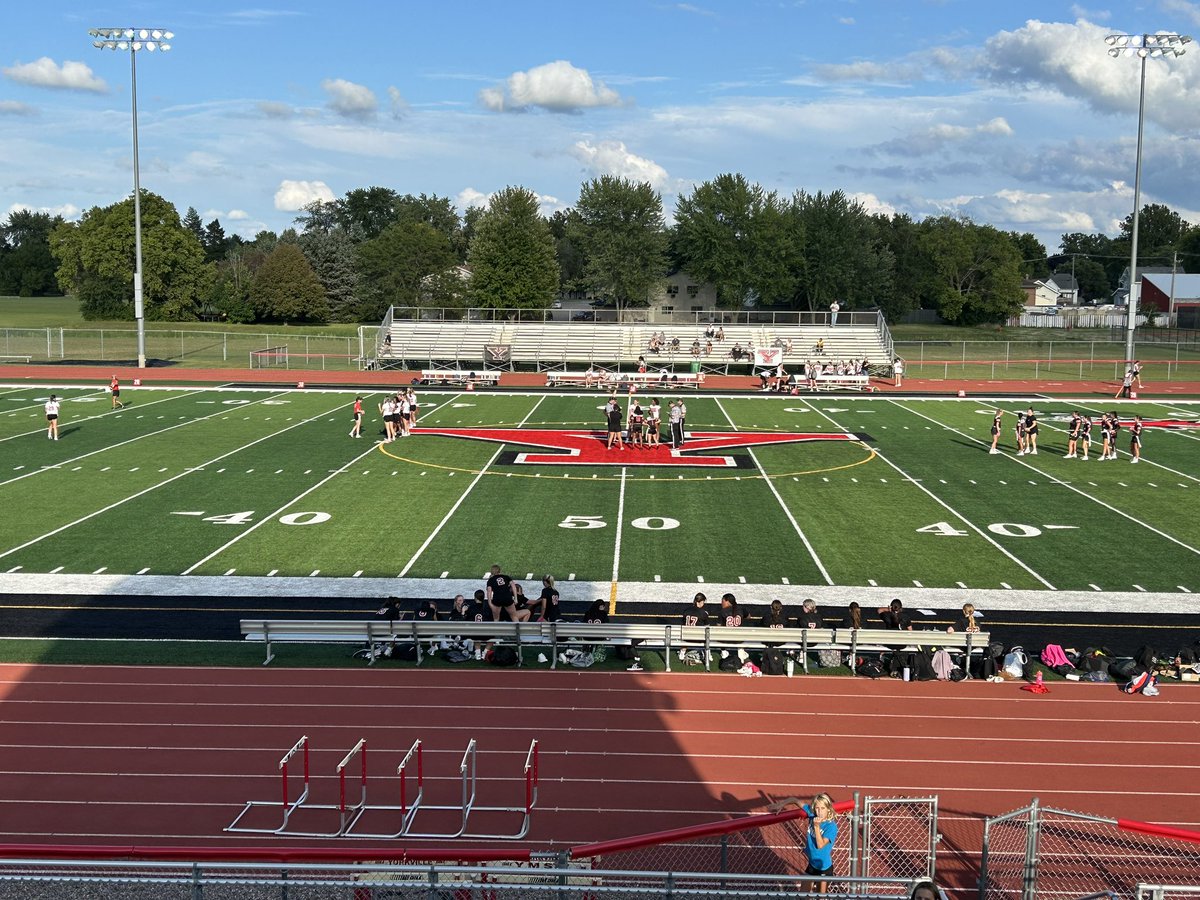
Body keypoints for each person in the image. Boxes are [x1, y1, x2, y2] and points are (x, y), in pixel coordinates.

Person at [768, 793, 839, 893]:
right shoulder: (812, 814)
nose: (819, 812)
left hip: (824, 868)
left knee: (821, 897)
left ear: (828, 808)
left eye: (823, 808)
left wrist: (817, 826)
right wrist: (781, 804)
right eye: (817, 808)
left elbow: (820, 845)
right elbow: (795, 799)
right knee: (803, 894)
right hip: (812, 865)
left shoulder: (831, 827)